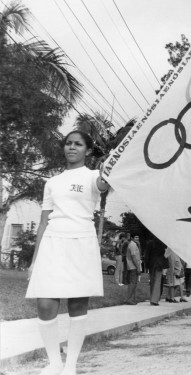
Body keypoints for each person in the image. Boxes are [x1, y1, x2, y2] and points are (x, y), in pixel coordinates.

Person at [26, 130, 110, 375]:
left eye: (78, 144)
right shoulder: (52, 182)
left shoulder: (94, 176)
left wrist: (107, 171)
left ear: (87, 150)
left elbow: (103, 184)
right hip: (53, 242)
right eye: (68, 143)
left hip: (81, 242)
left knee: (77, 304)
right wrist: (34, 261)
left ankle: (70, 364)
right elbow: (43, 223)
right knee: (45, 305)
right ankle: (54, 362)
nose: (72, 147)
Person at [144, 234, 167, 306]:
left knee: (152, 281)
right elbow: (164, 255)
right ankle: (155, 300)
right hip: (159, 264)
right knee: (158, 281)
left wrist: (146, 265)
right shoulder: (162, 244)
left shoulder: (149, 243)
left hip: (151, 264)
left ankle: (152, 299)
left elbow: (146, 255)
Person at [125, 233, 142, 305]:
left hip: (132, 266)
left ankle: (131, 299)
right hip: (133, 267)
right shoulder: (133, 245)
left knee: (133, 283)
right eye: (136, 237)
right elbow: (133, 256)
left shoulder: (134, 244)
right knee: (133, 283)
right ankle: (128, 299)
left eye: (138, 237)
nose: (137, 238)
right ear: (132, 238)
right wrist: (138, 267)